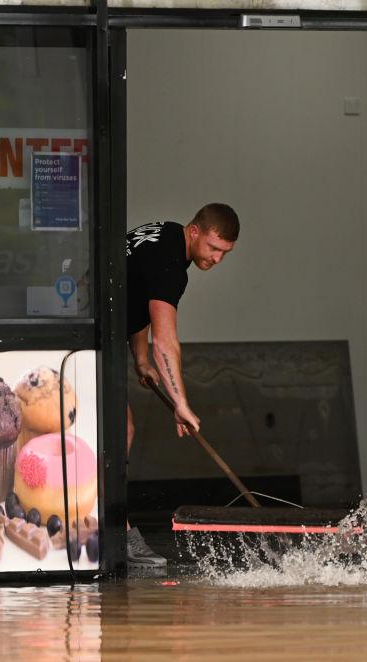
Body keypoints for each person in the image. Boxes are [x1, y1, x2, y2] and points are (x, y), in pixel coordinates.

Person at [123, 202, 240, 566]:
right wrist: (181, 402)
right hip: (82, 338)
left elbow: (132, 298)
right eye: (213, 248)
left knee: (118, 431)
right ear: (195, 232)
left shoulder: (163, 234)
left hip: (93, 333)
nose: (217, 259)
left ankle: (111, 528)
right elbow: (166, 340)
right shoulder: (171, 265)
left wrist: (139, 360)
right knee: (118, 432)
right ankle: (116, 532)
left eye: (225, 253)